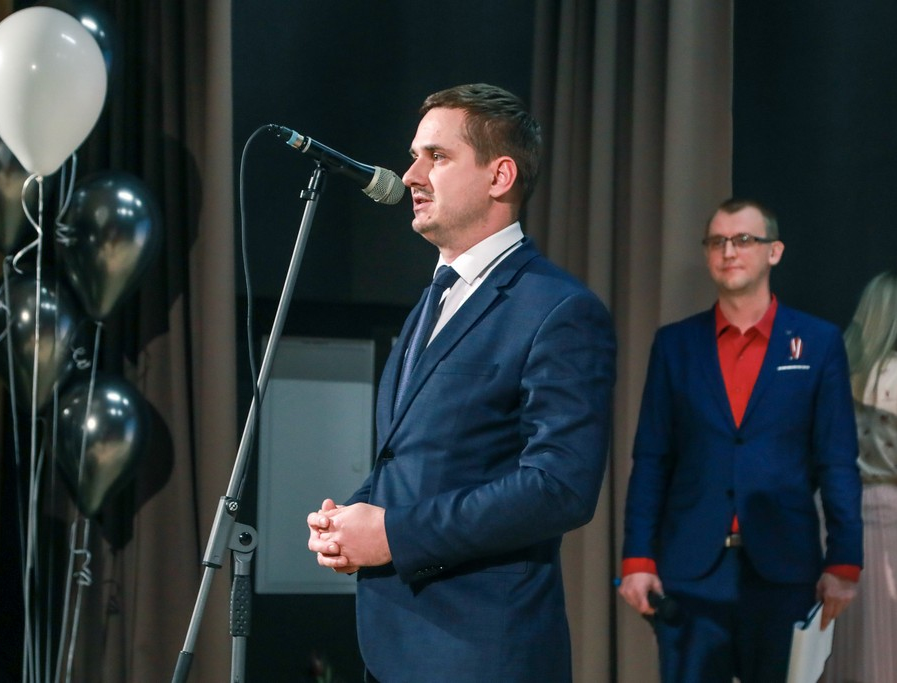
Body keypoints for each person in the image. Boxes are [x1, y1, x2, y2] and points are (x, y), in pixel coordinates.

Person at [305, 83, 616, 683]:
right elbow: (417, 455)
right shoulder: (434, 299)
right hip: (394, 643)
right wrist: (352, 521)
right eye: (414, 156)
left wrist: (392, 533)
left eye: (437, 157)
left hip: (480, 651)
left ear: (500, 176)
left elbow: (559, 487)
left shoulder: (559, 309)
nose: (411, 175)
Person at [618, 198, 863, 682]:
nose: (729, 251)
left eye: (744, 240)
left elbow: (837, 460)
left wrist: (844, 561)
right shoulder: (675, 345)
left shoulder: (817, 343)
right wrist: (637, 558)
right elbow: (651, 459)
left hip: (784, 568)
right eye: (717, 242)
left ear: (774, 251)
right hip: (691, 570)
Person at [824, 271, 897, 683]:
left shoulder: (837, 371)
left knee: (844, 640)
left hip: (835, 507)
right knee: (888, 640)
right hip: (893, 514)